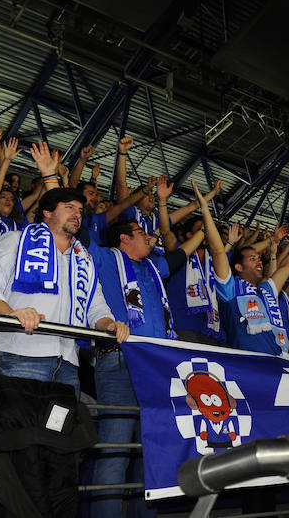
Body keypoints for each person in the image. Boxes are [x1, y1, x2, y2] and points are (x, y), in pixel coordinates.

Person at [0, 142, 128, 397]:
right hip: (21, 353)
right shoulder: (16, 240)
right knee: (17, 433)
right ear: (47, 213)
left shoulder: (84, 259)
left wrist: (110, 324)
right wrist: (12, 314)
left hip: (69, 362)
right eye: (69, 208)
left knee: (56, 436)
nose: (77, 214)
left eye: (80, 210)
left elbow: (96, 307)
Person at [87, 219, 203, 517]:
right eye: (141, 233)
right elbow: (74, 228)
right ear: (124, 239)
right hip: (120, 360)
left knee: (149, 453)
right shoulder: (104, 257)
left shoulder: (153, 268)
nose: (149, 237)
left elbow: (179, 256)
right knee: (115, 451)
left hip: (157, 370)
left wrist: (206, 230)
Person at [195, 178, 289, 356]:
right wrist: (205, 210)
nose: (259, 261)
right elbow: (218, 252)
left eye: (258, 258)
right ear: (239, 267)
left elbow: (286, 270)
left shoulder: (265, 291)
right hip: (249, 368)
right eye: (253, 258)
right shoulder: (230, 290)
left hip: (280, 362)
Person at [155, 174, 225, 345]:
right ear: (189, 234)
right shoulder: (178, 251)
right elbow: (165, 231)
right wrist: (162, 201)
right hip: (183, 327)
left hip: (212, 331)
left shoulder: (214, 259)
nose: (206, 231)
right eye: (202, 228)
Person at [0, 137, 41, 275]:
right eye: (3, 197)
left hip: (13, 270)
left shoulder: (20, 223)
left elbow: (39, 202)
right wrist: (7, 160)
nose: (8, 200)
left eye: (11, 199)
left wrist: (49, 174)